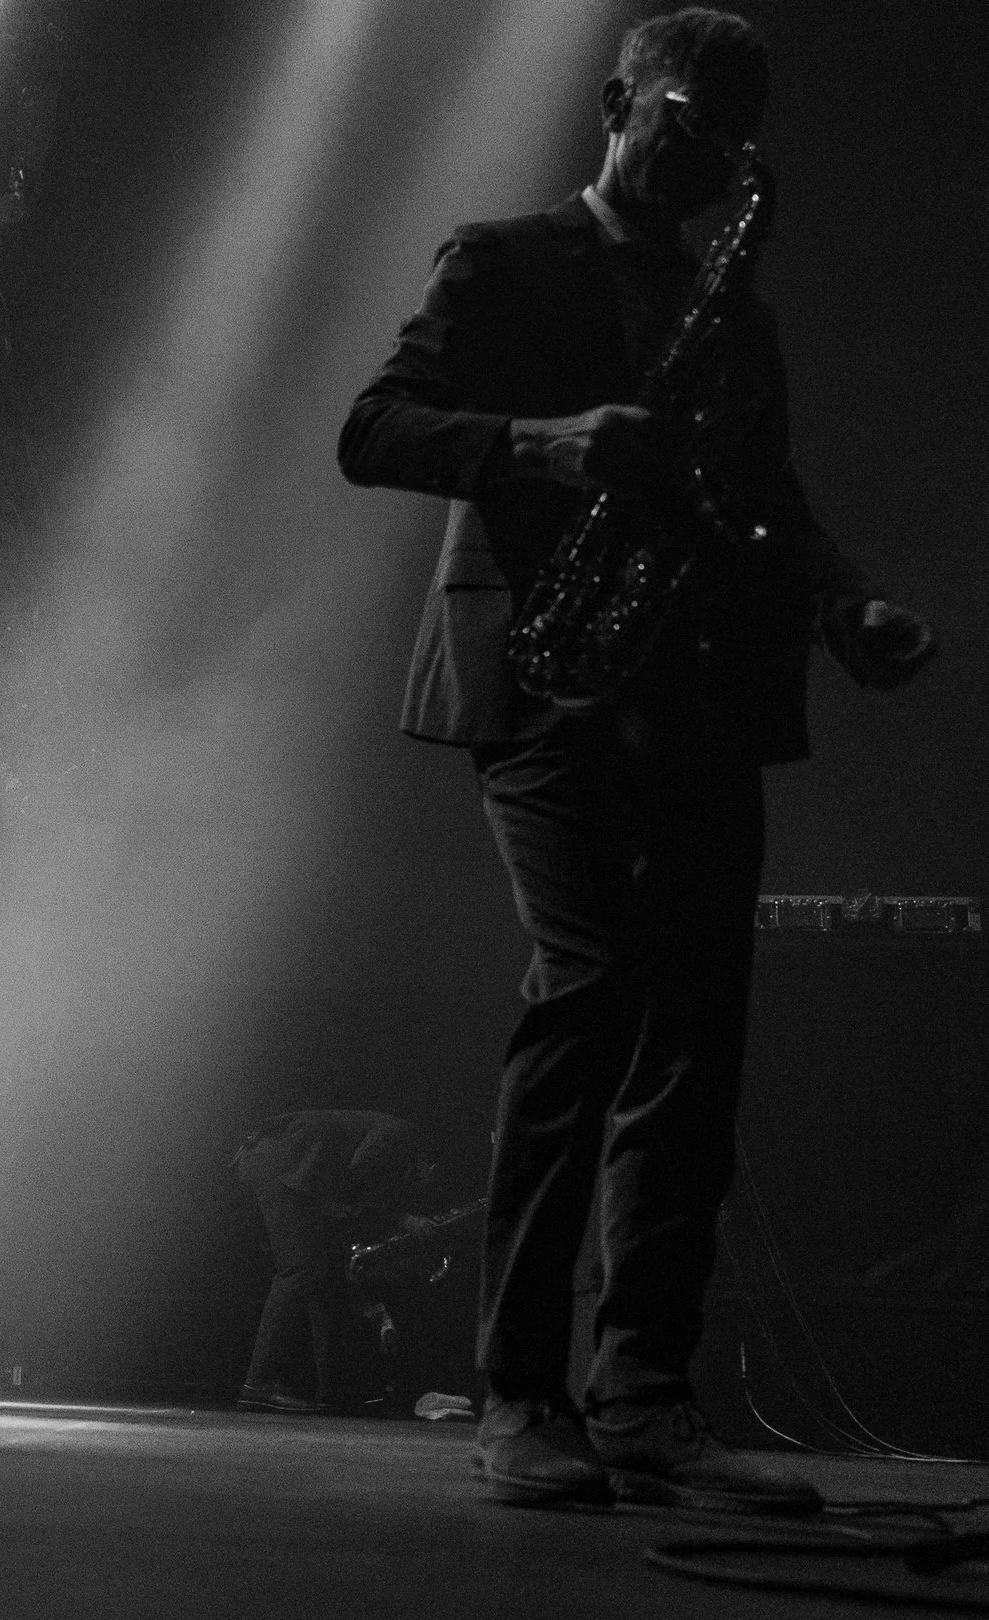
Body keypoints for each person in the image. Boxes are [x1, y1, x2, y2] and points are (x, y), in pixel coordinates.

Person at [339, 10, 936, 1511]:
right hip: (544, 676)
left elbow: (768, 497)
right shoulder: (502, 257)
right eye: (688, 117)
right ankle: (519, 1391)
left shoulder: (734, 310)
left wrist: (844, 603)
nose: (709, 153)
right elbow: (374, 428)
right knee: (593, 988)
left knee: (698, 1032)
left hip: (698, 684)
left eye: (733, 134)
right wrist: (543, 444)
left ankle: (645, 1395)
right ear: (618, 100)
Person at [233, 1110, 426, 1414]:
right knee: (301, 1270)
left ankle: (332, 1391)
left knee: (324, 1276)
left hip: (288, 1165)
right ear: (427, 1163)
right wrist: (401, 1219)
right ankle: (257, 1385)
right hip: (284, 1163)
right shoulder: (402, 1133)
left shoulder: (395, 1137)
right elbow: (361, 1168)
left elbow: (352, 1183)